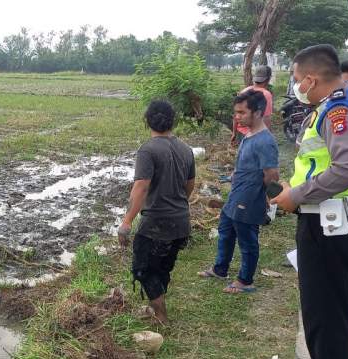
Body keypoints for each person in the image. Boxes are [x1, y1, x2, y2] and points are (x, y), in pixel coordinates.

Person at [271, 44, 348, 359]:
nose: (296, 85)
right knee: (338, 313)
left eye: (296, 78)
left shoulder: (338, 110)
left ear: (310, 78)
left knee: (324, 321)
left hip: (331, 226)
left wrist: (295, 195)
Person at [117, 100, 196, 324]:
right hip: (181, 221)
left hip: (156, 223)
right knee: (163, 266)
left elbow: (141, 187)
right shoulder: (185, 149)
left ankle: (161, 316)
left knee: (143, 269)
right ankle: (156, 307)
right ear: (173, 121)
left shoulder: (148, 150)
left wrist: (126, 222)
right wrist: (177, 204)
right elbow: (189, 185)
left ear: (147, 121)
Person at [198, 89, 279, 293]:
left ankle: (245, 280)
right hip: (236, 192)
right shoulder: (249, 134)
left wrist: (259, 193)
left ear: (258, 112)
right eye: (236, 112)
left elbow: (272, 174)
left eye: (242, 113)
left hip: (249, 197)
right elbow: (248, 161)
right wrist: (237, 173)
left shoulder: (265, 141)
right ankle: (220, 269)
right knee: (225, 230)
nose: (237, 117)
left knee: (247, 239)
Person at [231, 65, 274, 146]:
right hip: (256, 134)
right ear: (268, 79)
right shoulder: (266, 95)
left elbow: (236, 115)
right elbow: (266, 119)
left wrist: (234, 133)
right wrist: (267, 136)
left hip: (241, 133)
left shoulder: (245, 91)